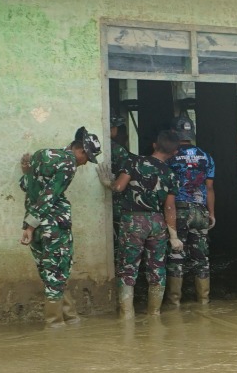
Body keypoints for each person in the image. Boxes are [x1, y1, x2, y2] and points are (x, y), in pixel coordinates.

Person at [18, 127, 101, 328]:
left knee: (51, 274)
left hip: (37, 227)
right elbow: (49, 196)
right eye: (87, 158)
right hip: (53, 226)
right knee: (57, 274)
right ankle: (55, 326)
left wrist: (30, 225)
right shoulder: (68, 164)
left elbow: (25, 185)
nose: (84, 163)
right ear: (80, 150)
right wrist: (29, 226)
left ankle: (71, 319)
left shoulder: (41, 155)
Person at [112, 130, 184, 318]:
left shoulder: (134, 162)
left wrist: (108, 183)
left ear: (154, 145)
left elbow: (119, 187)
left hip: (133, 220)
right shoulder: (170, 174)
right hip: (158, 222)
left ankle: (127, 315)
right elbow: (169, 208)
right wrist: (174, 236)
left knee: (128, 268)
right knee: (157, 268)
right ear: (174, 153)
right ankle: (154, 314)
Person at [168, 116, 216, 306]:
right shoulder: (206, 156)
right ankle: (204, 301)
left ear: (174, 132)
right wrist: (211, 213)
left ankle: (174, 303)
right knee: (202, 258)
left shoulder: (170, 156)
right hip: (201, 211)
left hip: (179, 211)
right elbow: (209, 188)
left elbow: (166, 188)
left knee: (176, 256)